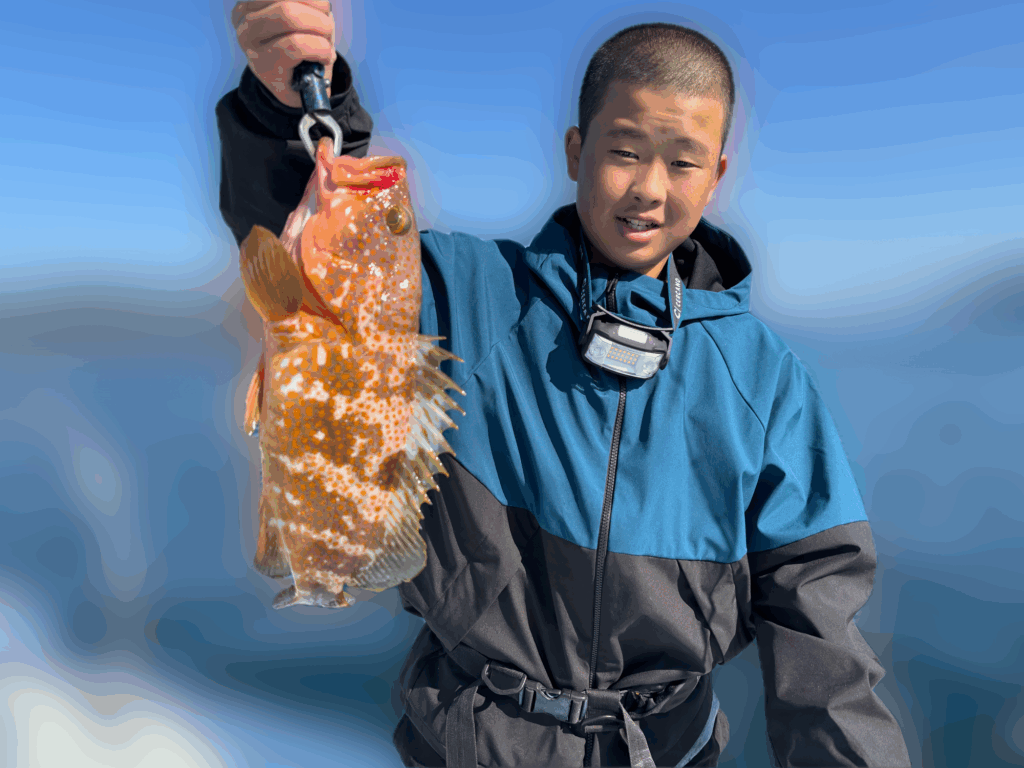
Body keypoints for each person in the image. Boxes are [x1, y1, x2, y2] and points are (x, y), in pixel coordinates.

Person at [218, 3, 913, 766]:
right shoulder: (464, 294)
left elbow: (820, 616)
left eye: (682, 163)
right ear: (577, 151)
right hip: (464, 742)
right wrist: (290, 98)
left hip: (664, 750)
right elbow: (322, 261)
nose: (649, 188)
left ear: (716, 175)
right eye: (624, 151)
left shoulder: (766, 381)